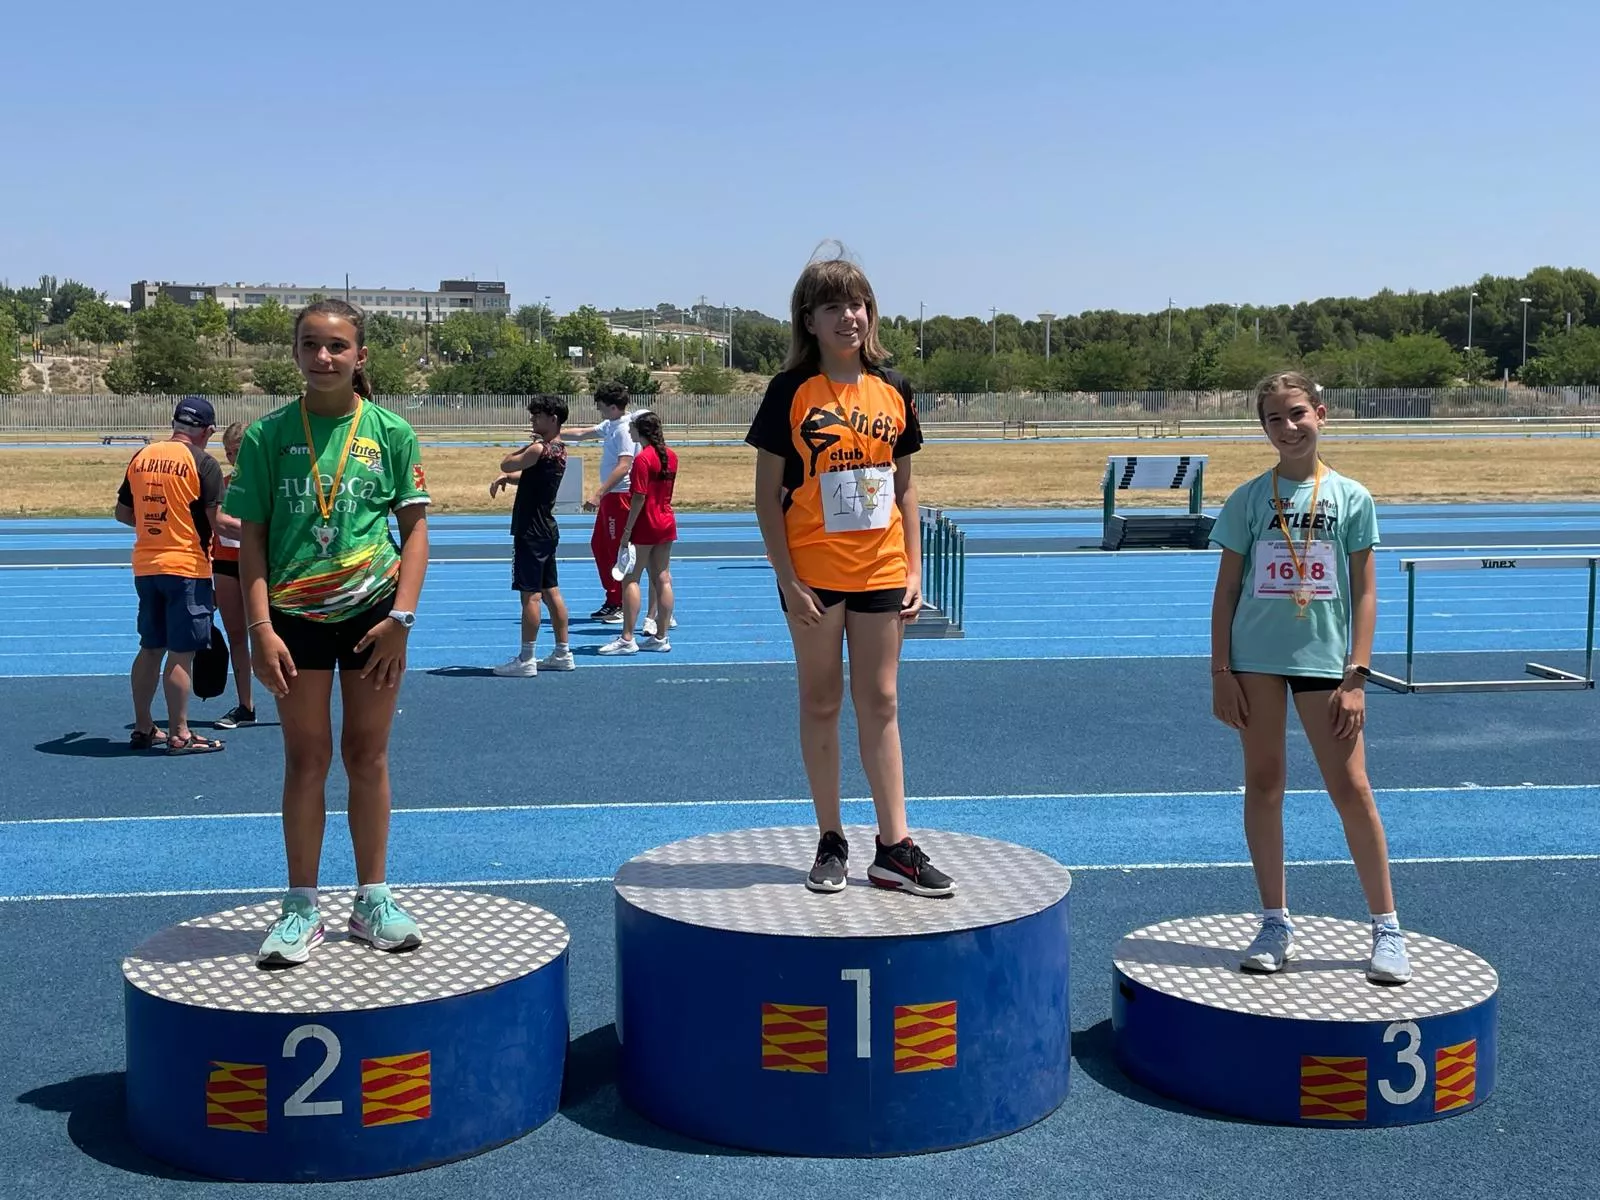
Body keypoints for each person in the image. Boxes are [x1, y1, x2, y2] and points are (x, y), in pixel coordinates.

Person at [225, 299, 431, 968]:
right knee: (306, 760)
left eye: (338, 346)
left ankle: (373, 897)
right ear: (295, 353)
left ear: (360, 356)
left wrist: (401, 619)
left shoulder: (391, 432)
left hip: (375, 616)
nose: (324, 357)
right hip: (292, 618)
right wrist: (259, 628)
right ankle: (302, 906)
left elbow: (416, 533)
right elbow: (250, 539)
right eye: (311, 345)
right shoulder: (266, 437)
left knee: (367, 756)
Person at [746, 247, 952, 898]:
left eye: (858, 304)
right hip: (814, 571)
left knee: (883, 702)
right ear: (809, 320)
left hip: (882, 568)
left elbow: (907, 488)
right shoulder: (789, 392)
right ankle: (831, 836)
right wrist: (788, 578)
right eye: (833, 306)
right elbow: (764, 495)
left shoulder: (894, 388)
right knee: (822, 700)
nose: (849, 316)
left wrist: (916, 568)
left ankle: (895, 845)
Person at [1209, 370, 1410, 985]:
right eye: (1274, 418)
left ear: (1320, 414)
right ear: (1263, 427)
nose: (1288, 427)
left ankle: (1386, 927)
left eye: (1297, 413)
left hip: (1327, 662)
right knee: (1264, 784)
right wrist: (1221, 670)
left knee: (1351, 788)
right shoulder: (1248, 498)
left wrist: (1358, 672)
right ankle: (1274, 920)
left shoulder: (1352, 497)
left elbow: (1368, 590)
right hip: (1256, 661)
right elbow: (1226, 590)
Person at [115, 396, 227, 755]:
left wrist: (155, 529)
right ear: (207, 431)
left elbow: (122, 512)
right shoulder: (203, 463)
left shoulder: (142, 456)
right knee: (182, 653)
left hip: (146, 566)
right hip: (187, 567)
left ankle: (144, 726)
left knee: (150, 649)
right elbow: (218, 524)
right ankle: (180, 732)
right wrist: (266, 532)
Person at [489, 395, 575, 675]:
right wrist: (509, 479)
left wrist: (528, 444)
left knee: (531, 597)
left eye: (537, 416)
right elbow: (529, 476)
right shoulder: (559, 450)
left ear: (553, 419)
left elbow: (507, 463)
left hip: (530, 530)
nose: (532, 420)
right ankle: (563, 652)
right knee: (552, 591)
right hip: (547, 528)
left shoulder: (538, 449)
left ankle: (526, 658)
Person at [605, 410, 677, 655]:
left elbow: (638, 498)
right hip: (667, 520)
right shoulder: (671, 456)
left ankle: (627, 638)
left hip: (646, 522)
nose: (629, 431)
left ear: (641, 431)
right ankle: (661, 636)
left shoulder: (643, 459)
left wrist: (627, 531)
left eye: (632, 427)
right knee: (662, 577)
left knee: (631, 578)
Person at [563, 381, 636, 622]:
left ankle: (619, 601)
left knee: (615, 550)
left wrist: (598, 493)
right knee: (599, 545)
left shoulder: (624, 430)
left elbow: (624, 465)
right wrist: (551, 434)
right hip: (611, 498)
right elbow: (583, 433)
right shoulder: (611, 424)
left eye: (601, 405)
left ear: (613, 407)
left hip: (620, 497)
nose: (598, 409)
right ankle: (614, 598)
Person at [211, 420, 256, 729]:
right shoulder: (222, 486)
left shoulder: (269, 484)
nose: (232, 458)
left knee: (278, 636)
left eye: (238, 451)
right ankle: (245, 705)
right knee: (237, 635)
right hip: (225, 565)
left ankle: (295, 701)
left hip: (261, 566)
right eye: (228, 452)